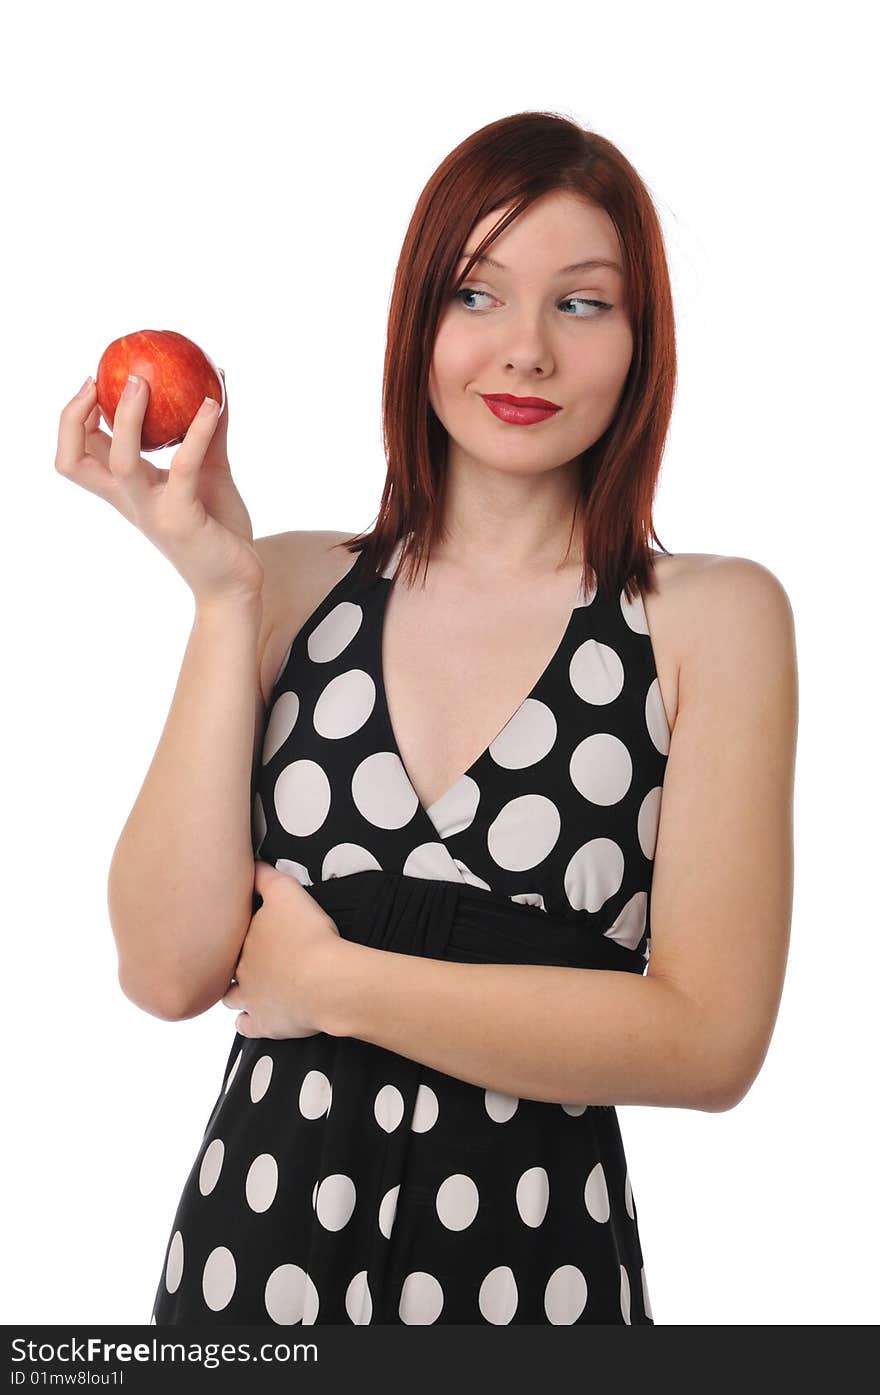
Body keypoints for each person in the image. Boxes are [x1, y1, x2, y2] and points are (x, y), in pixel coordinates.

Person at [55, 111, 798, 1325]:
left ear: (641, 339)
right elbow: (165, 969)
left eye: (580, 303)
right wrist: (221, 595)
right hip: (252, 1278)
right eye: (475, 295)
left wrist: (334, 983)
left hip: (534, 1293)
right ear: (418, 321)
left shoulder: (712, 621)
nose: (525, 353)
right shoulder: (287, 584)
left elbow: (710, 1043)